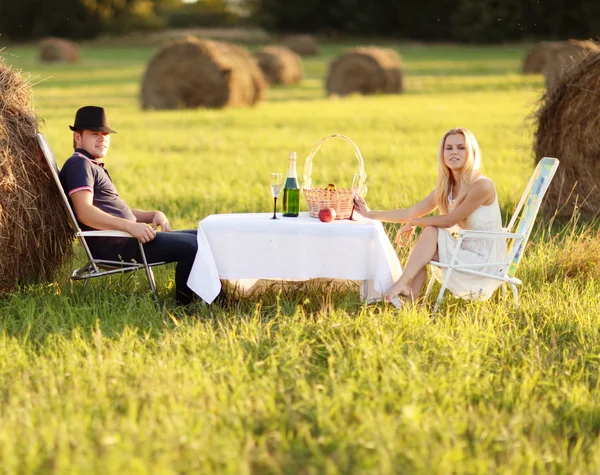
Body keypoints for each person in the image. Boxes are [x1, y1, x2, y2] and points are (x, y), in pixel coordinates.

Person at [59, 105, 199, 305]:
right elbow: (85, 212)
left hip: (127, 237)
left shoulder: (92, 165)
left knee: (203, 236)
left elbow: (114, 211)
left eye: (105, 134)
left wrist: (151, 214)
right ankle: (187, 306)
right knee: (192, 247)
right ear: (78, 138)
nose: (102, 138)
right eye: (94, 134)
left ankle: (217, 295)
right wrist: (130, 226)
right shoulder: (79, 165)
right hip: (117, 245)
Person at [355, 127, 508, 304]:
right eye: (448, 148)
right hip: (464, 251)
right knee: (424, 248)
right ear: (442, 153)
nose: (454, 152)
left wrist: (416, 222)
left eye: (461, 147)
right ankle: (409, 305)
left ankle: (404, 283)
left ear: (472, 152)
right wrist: (369, 213)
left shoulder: (482, 186)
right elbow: (409, 212)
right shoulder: (446, 188)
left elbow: (450, 220)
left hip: (484, 259)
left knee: (431, 231)